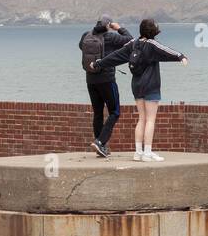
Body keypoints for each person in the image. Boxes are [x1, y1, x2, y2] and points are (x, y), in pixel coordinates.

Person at [91, 18, 188, 161]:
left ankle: (138, 153)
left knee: (141, 119)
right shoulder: (152, 44)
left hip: (136, 86)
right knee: (150, 120)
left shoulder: (133, 43)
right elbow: (167, 51)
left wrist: (99, 63)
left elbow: (115, 56)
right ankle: (147, 152)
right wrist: (181, 57)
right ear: (153, 32)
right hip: (150, 86)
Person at [79, 15, 133, 158]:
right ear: (108, 25)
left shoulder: (86, 35)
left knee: (97, 113)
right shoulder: (110, 37)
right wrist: (120, 28)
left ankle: (100, 144)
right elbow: (131, 41)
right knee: (115, 112)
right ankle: (100, 141)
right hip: (107, 80)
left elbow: (81, 47)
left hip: (90, 80)